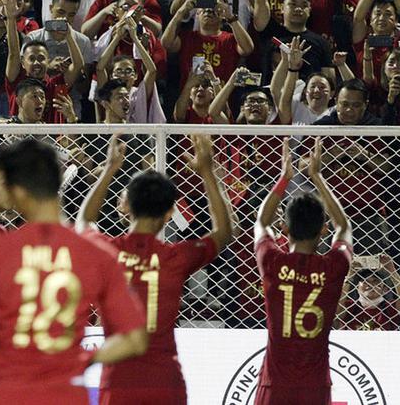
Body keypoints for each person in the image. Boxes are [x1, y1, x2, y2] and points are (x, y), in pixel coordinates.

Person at [0, 138, 148, 405]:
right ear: (59, 181)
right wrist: (83, 359)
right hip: (66, 393)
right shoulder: (96, 253)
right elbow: (136, 340)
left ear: (18, 190)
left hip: (12, 391)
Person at [77, 134, 233, 402]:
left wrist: (110, 168)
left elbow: (84, 221)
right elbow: (225, 232)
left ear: (124, 206)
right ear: (170, 213)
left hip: (119, 381)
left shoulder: (110, 251)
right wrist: (208, 172)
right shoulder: (176, 257)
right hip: (164, 381)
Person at [253, 138, 352, 405]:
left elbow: (262, 221)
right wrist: (318, 176)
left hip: (275, 384)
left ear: (284, 229)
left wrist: (285, 177)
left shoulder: (272, 262)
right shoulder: (333, 266)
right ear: (323, 230)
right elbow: (343, 227)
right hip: (315, 386)